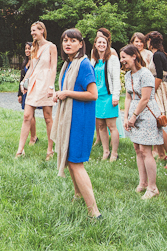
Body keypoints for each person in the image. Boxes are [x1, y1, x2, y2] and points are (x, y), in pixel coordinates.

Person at [52, 28, 101, 219]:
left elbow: (93, 94)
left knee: (75, 163)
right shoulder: (68, 64)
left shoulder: (84, 65)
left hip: (80, 120)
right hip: (70, 118)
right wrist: (58, 94)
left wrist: (66, 93)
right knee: (71, 161)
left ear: (81, 44)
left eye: (73, 40)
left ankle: (94, 212)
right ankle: (78, 195)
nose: (68, 43)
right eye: (65, 40)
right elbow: (69, 89)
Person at [121, 44, 163, 199]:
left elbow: (145, 98)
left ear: (134, 56)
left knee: (146, 151)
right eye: (121, 57)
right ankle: (143, 182)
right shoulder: (128, 75)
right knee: (137, 149)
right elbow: (128, 97)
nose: (122, 60)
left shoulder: (145, 74)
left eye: (124, 57)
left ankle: (153, 188)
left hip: (146, 114)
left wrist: (134, 116)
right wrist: (126, 117)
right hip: (133, 113)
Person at [17, 21, 57, 160]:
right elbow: (32, 68)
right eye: (31, 31)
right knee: (27, 116)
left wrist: (51, 86)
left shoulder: (51, 46)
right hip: (34, 84)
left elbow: (53, 67)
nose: (32, 33)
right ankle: (20, 150)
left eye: (34, 30)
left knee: (48, 117)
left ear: (42, 31)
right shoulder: (34, 47)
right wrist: (23, 82)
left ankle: (50, 150)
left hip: (46, 83)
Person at [147, 31, 167, 169]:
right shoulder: (158, 54)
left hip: (158, 88)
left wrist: (151, 92)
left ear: (150, 41)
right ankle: (161, 154)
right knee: (155, 123)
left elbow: (159, 75)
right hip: (157, 87)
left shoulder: (157, 55)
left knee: (158, 122)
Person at [90, 33, 121, 161]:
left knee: (111, 126)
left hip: (109, 96)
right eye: (99, 42)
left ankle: (114, 153)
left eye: (104, 43)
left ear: (107, 45)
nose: (102, 45)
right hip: (97, 97)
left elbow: (116, 78)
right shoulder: (94, 61)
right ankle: (105, 151)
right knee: (101, 125)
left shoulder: (112, 59)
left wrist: (116, 96)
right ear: (95, 45)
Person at [17, 42, 38, 145]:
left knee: (30, 115)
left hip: (33, 90)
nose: (27, 50)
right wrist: (19, 94)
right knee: (28, 115)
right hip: (24, 91)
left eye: (29, 48)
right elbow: (21, 79)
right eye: (26, 48)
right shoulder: (25, 62)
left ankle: (33, 137)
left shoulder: (36, 62)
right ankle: (32, 136)